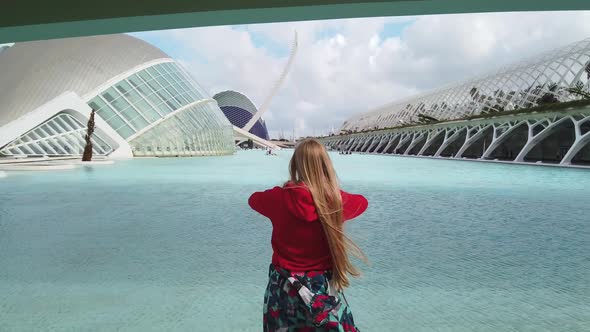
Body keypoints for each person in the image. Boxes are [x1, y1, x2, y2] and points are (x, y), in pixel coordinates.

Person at [248, 138, 368, 331]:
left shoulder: (278, 198)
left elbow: (253, 199)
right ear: (326, 165)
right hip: (322, 289)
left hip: (283, 289)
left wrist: (287, 188)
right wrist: (332, 193)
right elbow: (362, 202)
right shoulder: (335, 202)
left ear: (295, 165)